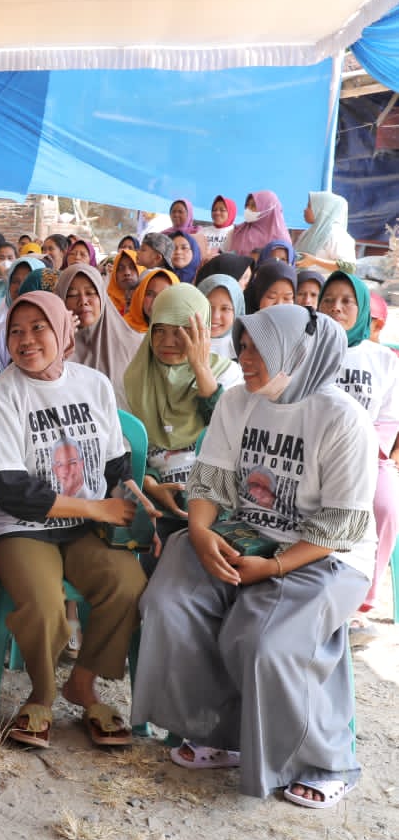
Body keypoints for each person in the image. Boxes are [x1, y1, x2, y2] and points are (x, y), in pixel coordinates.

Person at [132, 306, 376, 808]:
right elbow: (210, 483)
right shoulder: (238, 402)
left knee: (262, 640)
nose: (242, 358)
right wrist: (199, 533)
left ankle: (324, 761)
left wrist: (275, 566)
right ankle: (222, 736)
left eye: (255, 348)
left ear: (296, 352)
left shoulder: (341, 417)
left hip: (324, 555)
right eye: (241, 346)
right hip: (240, 536)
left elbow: (340, 527)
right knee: (170, 603)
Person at [0, 290, 145, 750]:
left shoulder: (93, 385)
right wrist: (95, 508)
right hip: (16, 527)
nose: (26, 340)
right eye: (16, 330)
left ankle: (83, 685)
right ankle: (44, 693)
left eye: (38, 328)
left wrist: (142, 505)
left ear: (62, 330)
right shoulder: (2, 394)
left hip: (85, 526)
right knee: (44, 600)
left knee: (127, 582)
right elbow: (11, 489)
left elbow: (116, 466)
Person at [124, 284, 240, 540]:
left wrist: (200, 368)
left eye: (181, 332)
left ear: (202, 333)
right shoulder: (133, 380)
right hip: (152, 499)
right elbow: (123, 449)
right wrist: (151, 485)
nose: (168, 342)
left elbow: (230, 435)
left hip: (218, 504)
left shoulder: (229, 375)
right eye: (160, 330)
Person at [317, 273, 399, 632]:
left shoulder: (382, 359)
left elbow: (389, 417)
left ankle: (361, 600)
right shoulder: (308, 350)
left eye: (346, 300)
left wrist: (367, 452)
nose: (336, 307)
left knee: (385, 505)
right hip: (315, 451)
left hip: (368, 455)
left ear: (361, 308)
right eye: (328, 299)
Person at [56, 265, 143, 410]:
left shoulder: (134, 345)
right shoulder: (52, 348)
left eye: (91, 293)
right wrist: (62, 343)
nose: (83, 301)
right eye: (72, 295)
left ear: (103, 297)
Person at [296, 191, 357, 273]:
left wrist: (315, 261)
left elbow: (350, 268)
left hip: (323, 284)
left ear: (321, 210)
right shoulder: (308, 233)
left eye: (309, 206)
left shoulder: (336, 235)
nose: (305, 210)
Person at [227, 191, 292, 261]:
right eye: (247, 205)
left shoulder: (281, 239)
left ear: (267, 208)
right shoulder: (238, 230)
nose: (248, 209)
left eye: (253, 206)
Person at [198, 273, 246, 361]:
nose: (215, 316)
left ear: (237, 312)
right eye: (208, 307)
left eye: (225, 309)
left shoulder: (245, 350)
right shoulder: (180, 344)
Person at [106, 249, 140, 315]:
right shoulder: (105, 305)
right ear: (114, 275)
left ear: (140, 269)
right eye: (121, 268)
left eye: (132, 267)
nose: (127, 273)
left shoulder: (148, 303)